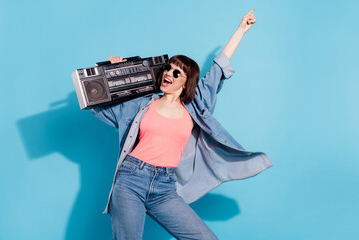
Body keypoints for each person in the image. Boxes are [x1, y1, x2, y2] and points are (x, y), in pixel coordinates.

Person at [92, 9, 272, 240]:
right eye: (168, 68)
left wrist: (241, 30)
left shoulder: (196, 107)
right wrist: (113, 71)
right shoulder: (141, 104)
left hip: (165, 187)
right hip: (131, 179)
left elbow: (218, 70)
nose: (169, 73)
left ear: (187, 82)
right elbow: (98, 105)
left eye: (178, 73)